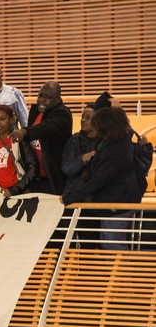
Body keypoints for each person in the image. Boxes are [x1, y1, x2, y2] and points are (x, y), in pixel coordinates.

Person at [62, 107, 142, 250]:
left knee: (112, 244)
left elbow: (99, 180)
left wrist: (70, 197)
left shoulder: (115, 150)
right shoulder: (119, 142)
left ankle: (121, 273)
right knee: (109, 243)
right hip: (117, 202)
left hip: (117, 204)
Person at [10, 81, 72, 195]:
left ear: (58, 99)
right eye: (40, 95)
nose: (42, 100)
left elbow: (46, 127)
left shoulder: (63, 113)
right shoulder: (35, 111)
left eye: (48, 97)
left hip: (52, 179)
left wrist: (25, 131)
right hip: (34, 178)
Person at [61, 104, 99, 247]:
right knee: (67, 243)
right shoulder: (74, 140)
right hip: (74, 197)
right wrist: (83, 159)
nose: (83, 120)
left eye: (88, 118)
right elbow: (66, 169)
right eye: (83, 117)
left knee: (90, 244)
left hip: (94, 201)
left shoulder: (104, 142)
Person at [0, 104, 37, 197]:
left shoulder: (20, 140)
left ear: (12, 120)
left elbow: (33, 168)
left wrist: (13, 190)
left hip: (17, 194)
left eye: (2, 119)